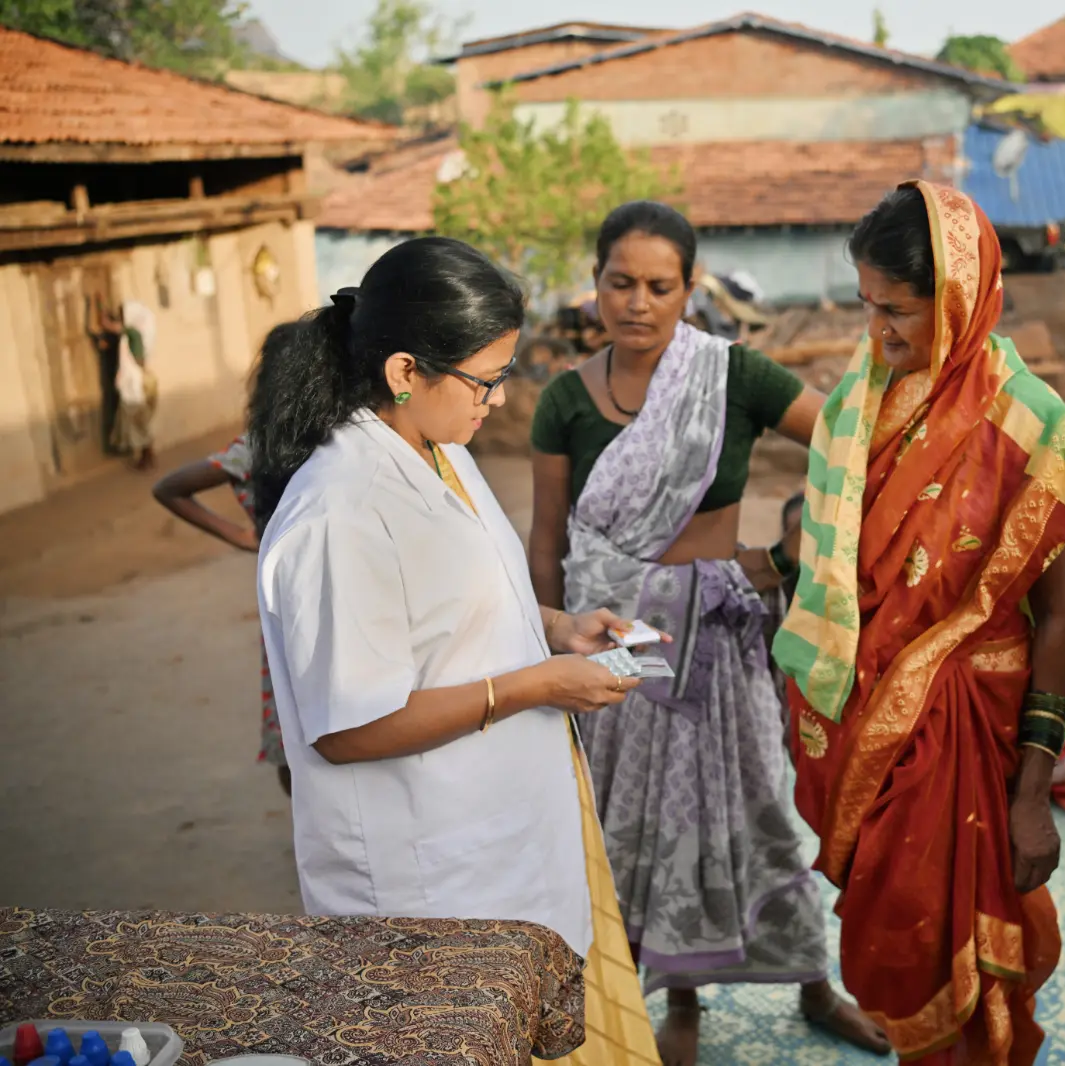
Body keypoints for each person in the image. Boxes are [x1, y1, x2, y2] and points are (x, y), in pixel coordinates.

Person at [250, 236, 660, 1065]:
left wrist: (555, 626)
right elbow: (349, 729)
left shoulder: (443, 455)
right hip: (426, 879)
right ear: (406, 372)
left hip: (501, 842)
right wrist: (535, 684)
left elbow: (454, 612)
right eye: (485, 379)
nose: (500, 401)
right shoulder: (342, 512)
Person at [773, 181, 1065, 1064]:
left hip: (972, 735)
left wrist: (1031, 792)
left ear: (959, 301)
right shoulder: (856, 408)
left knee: (969, 958)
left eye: (898, 313)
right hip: (869, 725)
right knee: (890, 941)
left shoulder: (1034, 429)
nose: (879, 335)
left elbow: (1057, 617)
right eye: (867, 309)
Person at [529, 202, 890, 1065]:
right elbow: (546, 538)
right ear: (596, 284)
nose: (639, 303)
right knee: (641, 827)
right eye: (622, 282)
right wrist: (542, 648)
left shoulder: (733, 376)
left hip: (721, 644)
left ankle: (814, 983)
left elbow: (850, 446)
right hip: (611, 650)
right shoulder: (563, 402)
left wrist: (794, 546)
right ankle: (679, 999)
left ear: (690, 290)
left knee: (759, 806)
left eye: (661, 285)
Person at [151, 407, 289, 796]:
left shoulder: (263, 443)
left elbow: (169, 488)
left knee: (296, 738)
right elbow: (168, 487)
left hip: (286, 614)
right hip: (294, 613)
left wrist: (243, 536)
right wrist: (242, 536)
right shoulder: (284, 443)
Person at [106, 299, 159, 469]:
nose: (120, 318)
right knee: (139, 423)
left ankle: (147, 457)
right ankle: (146, 456)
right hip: (133, 385)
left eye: (122, 315)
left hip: (135, 386)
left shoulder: (133, 333)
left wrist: (98, 304)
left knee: (139, 422)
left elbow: (112, 327)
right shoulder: (133, 334)